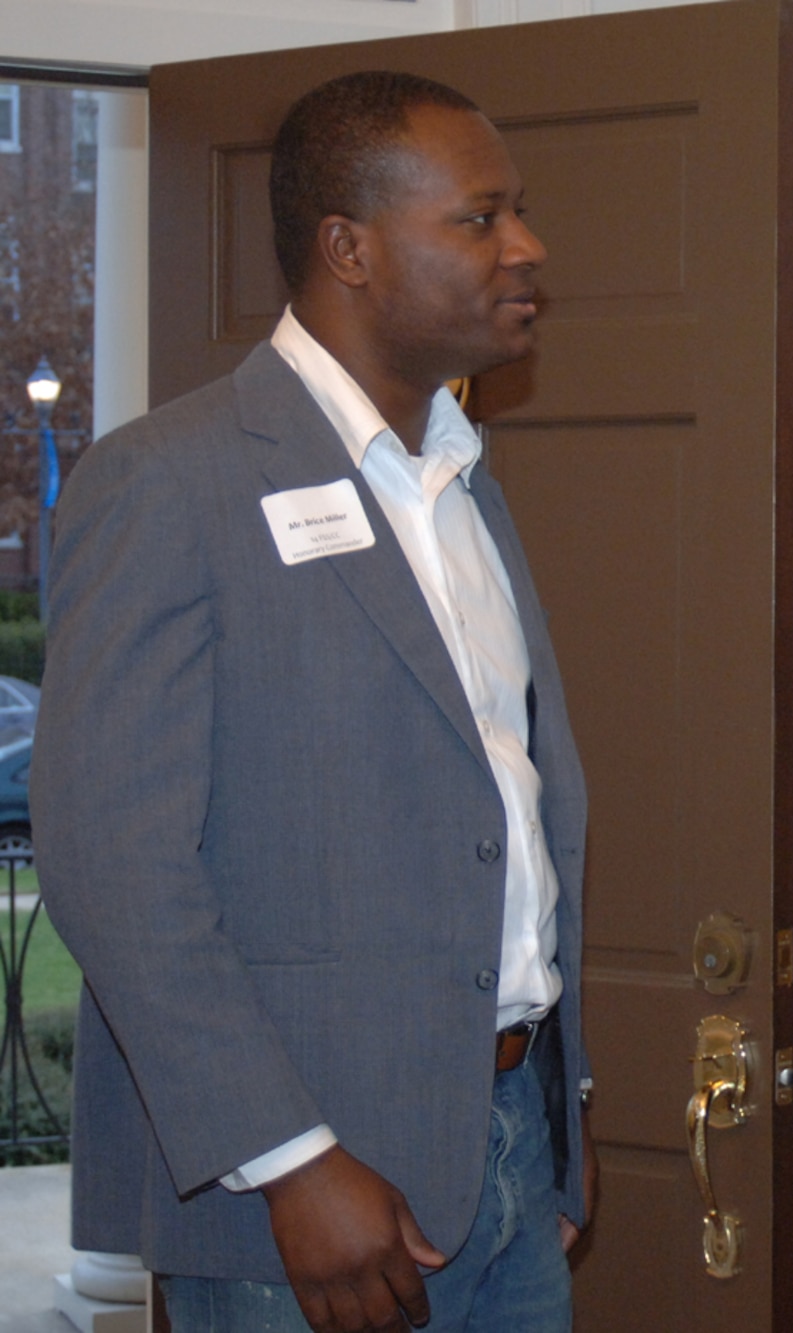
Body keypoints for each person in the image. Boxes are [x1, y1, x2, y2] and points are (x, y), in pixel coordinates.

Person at [36, 71, 595, 1333]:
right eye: (480, 218)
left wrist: (559, 1116)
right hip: (309, 1199)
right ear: (349, 248)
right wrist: (289, 1158)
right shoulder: (168, 482)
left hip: (511, 1147)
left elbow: (505, 816)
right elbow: (112, 863)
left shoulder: (462, 482)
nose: (526, 247)